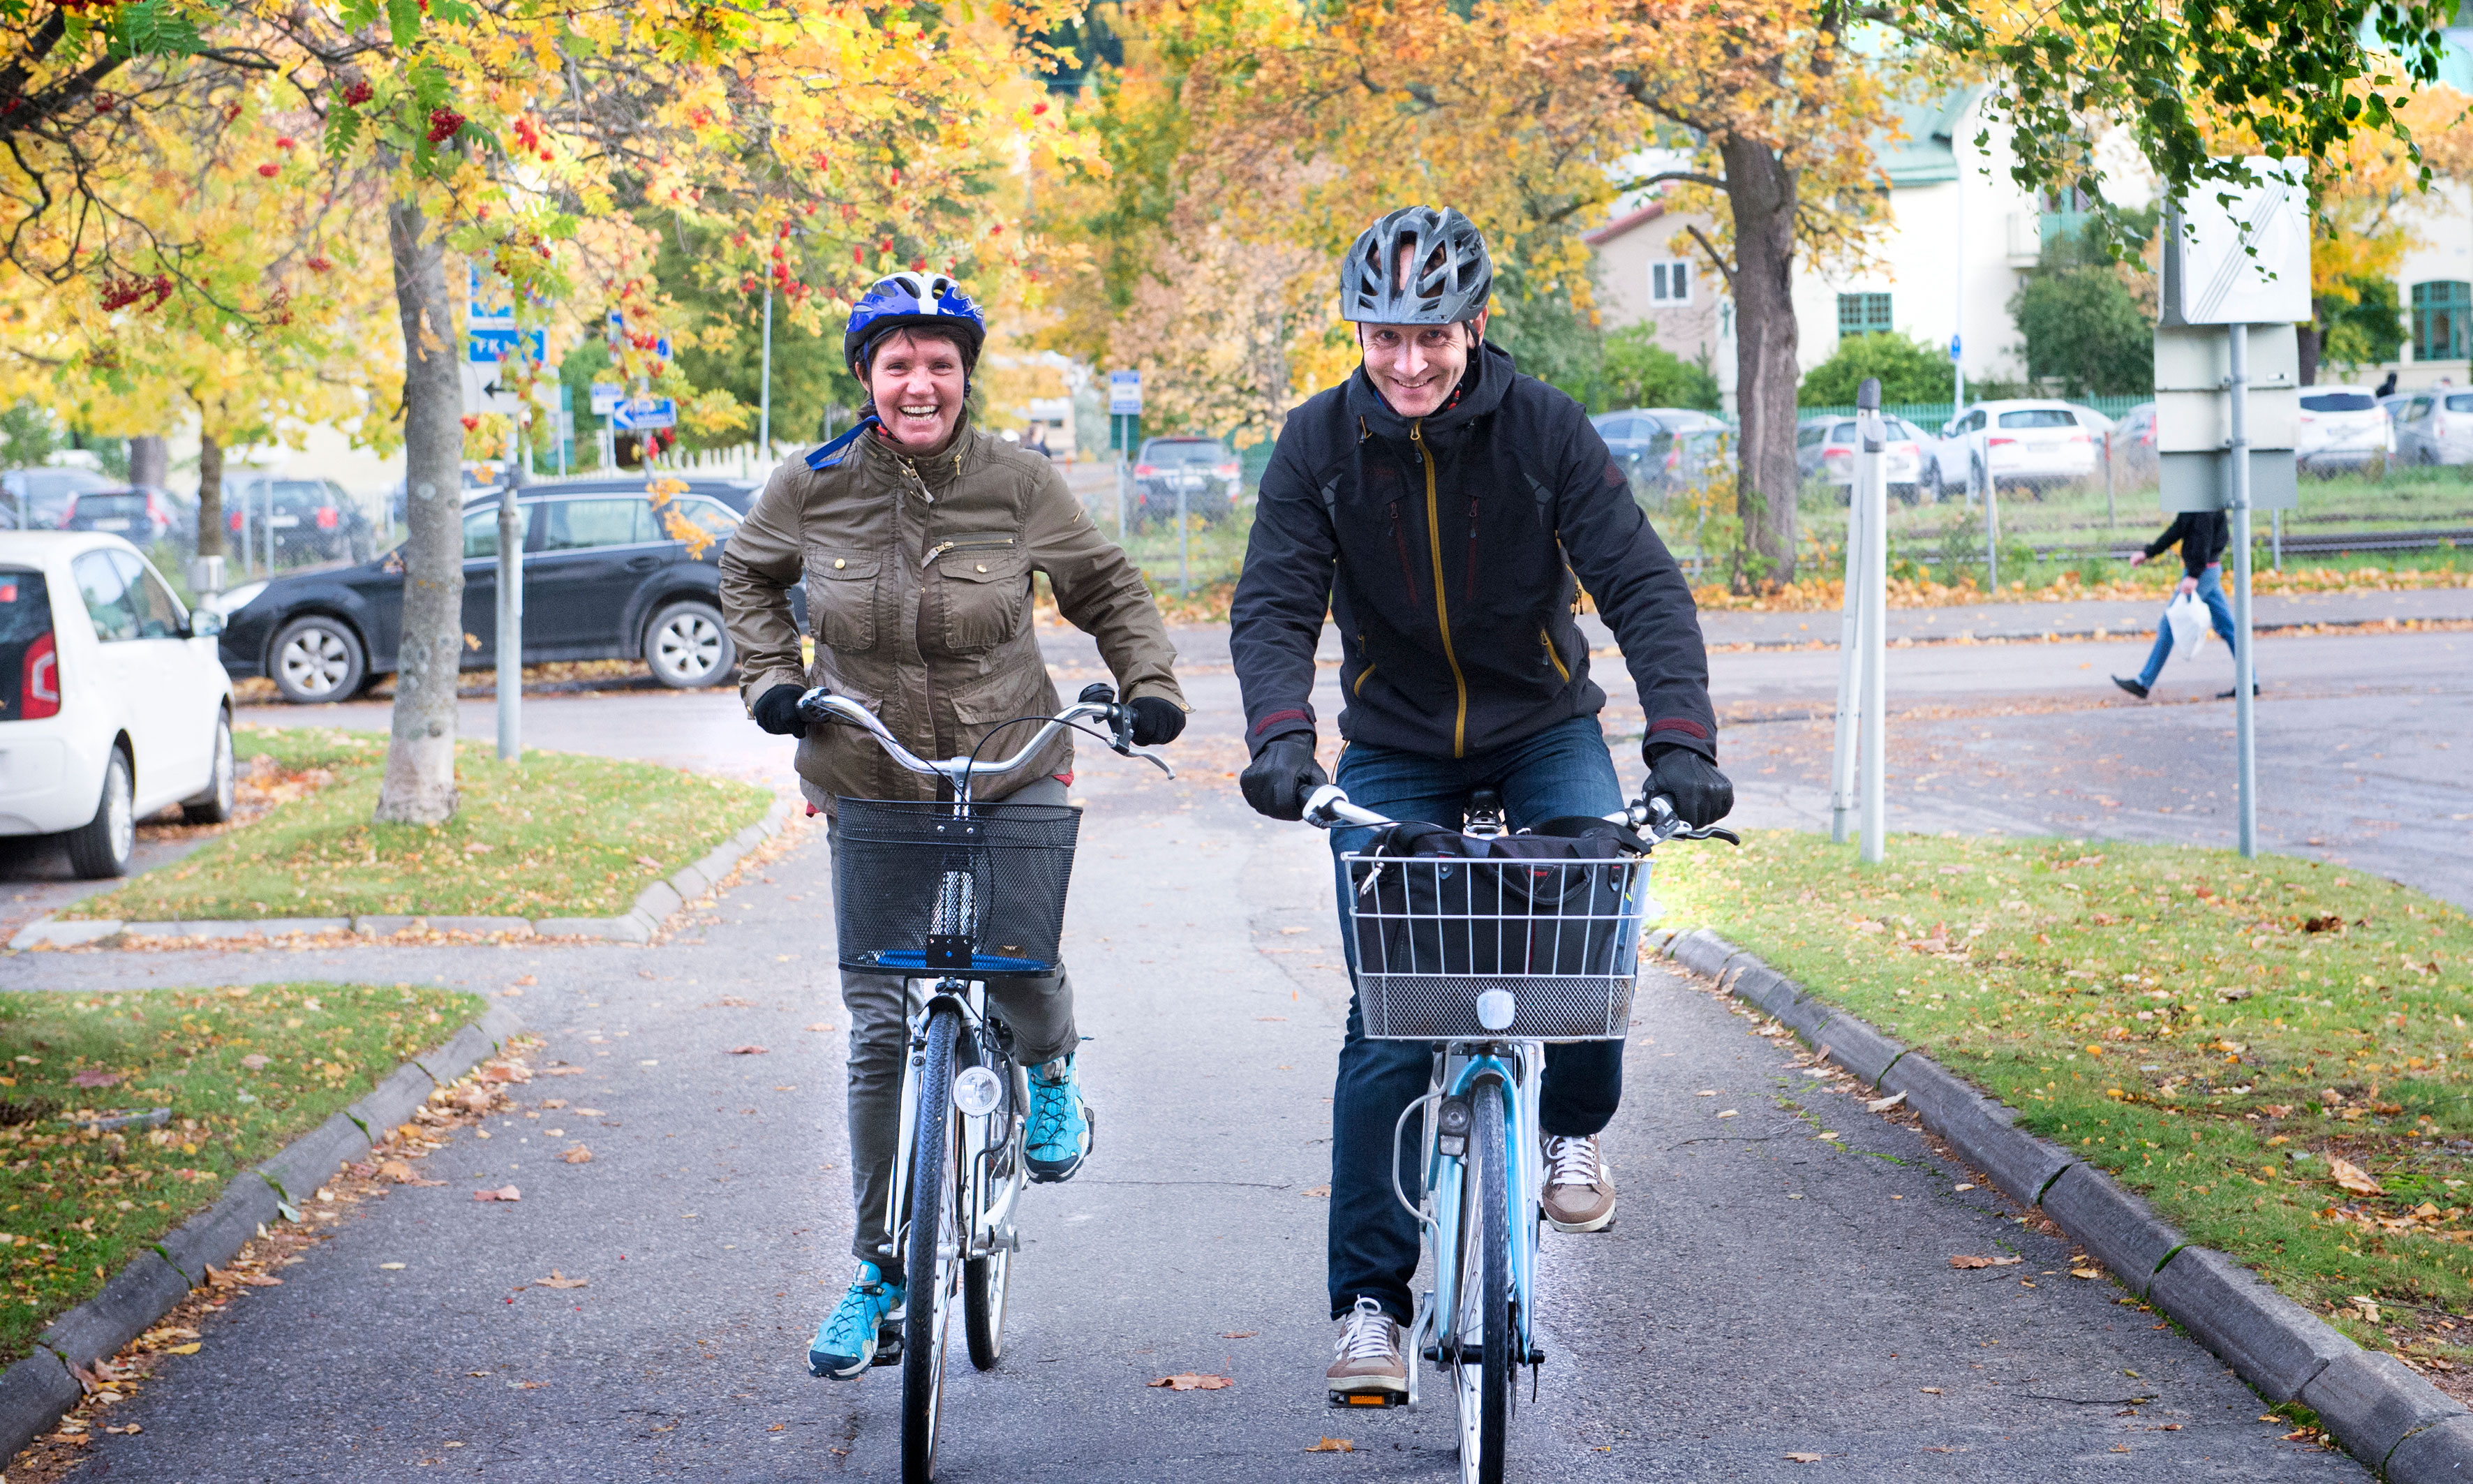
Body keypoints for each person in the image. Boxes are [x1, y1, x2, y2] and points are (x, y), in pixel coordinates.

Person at [1228, 205, 1730, 1400]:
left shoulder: (1542, 430)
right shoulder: (1315, 445)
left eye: (1433, 335)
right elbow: (1274, 604)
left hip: (1542, 726)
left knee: (1593, 926)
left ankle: (1571, 1123)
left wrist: (1681, 740)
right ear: (1358, 330)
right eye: (1384, 336)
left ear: (1474, 327)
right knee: (1391, 1024)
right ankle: (1367, 1305)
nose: (1407, 361)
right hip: (1395, 747)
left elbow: (1640, 585)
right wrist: (1279, 739)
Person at [718, 272, 1190, 1380]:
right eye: (897, 365)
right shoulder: (812, 485)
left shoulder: (1018, 480)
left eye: (939, 363)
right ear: (866, 380)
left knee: (1017, 957)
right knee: (880, 1025)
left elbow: (1107, 587)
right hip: (869, 767)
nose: (919, 382)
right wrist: (769, 681)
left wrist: (1150, 681)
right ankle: (880, 1270)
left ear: (965, 374)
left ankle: (1055, 1070)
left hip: (1010, 756)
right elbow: (745, 575)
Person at [2110, 507, 2257, 699]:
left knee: (2169, 622)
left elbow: (2203, 536)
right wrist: (2148, 553)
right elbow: (2178, 529)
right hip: (2207, 570)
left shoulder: (2203, 501)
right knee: (2229, 628)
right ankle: (2250, 682)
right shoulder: (2194, 500)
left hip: (2202, 572)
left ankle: (2143, 683)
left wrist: (2194, 575)